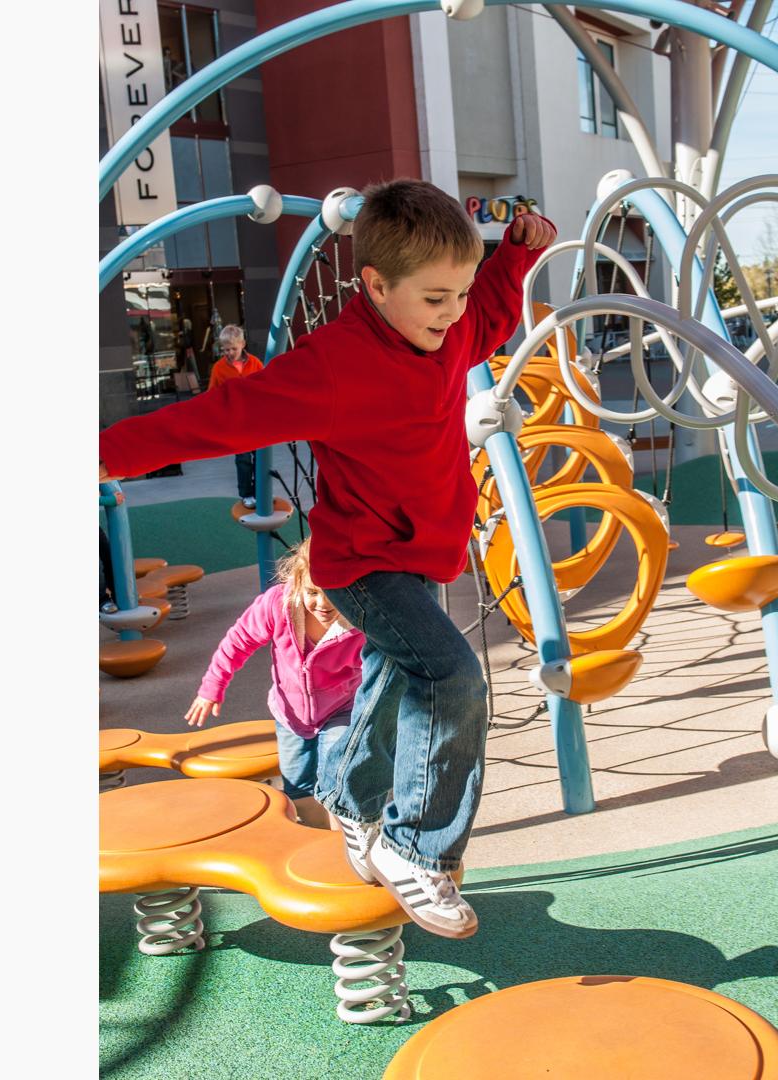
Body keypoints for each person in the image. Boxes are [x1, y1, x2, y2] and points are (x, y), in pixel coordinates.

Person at [101, 178, 557, 939]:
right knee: (451, 679)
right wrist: (107, 455)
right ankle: (415, 847)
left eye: (459, 292)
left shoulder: (450, 329)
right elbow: (219, 419)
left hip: (423, 553)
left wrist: (511, 259)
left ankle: (349, 801)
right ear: (376, 286)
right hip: (359, 566)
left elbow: (490, 316)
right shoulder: (334, 367)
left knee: (391, 681)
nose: (451, 315)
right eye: (435, 297)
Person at [185, 538, 362, 829]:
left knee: (337, 769)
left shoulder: (358, 621)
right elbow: (237, 642)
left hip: (342, 708)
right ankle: (312, 836)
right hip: (289, 713)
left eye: (334, 592)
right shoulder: (277, 606)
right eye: (313, 592)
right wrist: (212, 687)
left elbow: (383, 666)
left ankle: (344, 837)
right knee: (296, 781)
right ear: (297, 579)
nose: (323, 603)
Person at [205, 325, 265, 507]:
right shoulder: (219, 369)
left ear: (243, 344)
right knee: (243, 458)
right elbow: (212, 394)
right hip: (235, 420)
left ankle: (260, 491)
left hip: (254, 418)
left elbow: (264, 386)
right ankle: (246, 494)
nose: (230, 352)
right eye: (226, 349)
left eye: (233, 349)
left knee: (261, 457)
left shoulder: (255, 363)